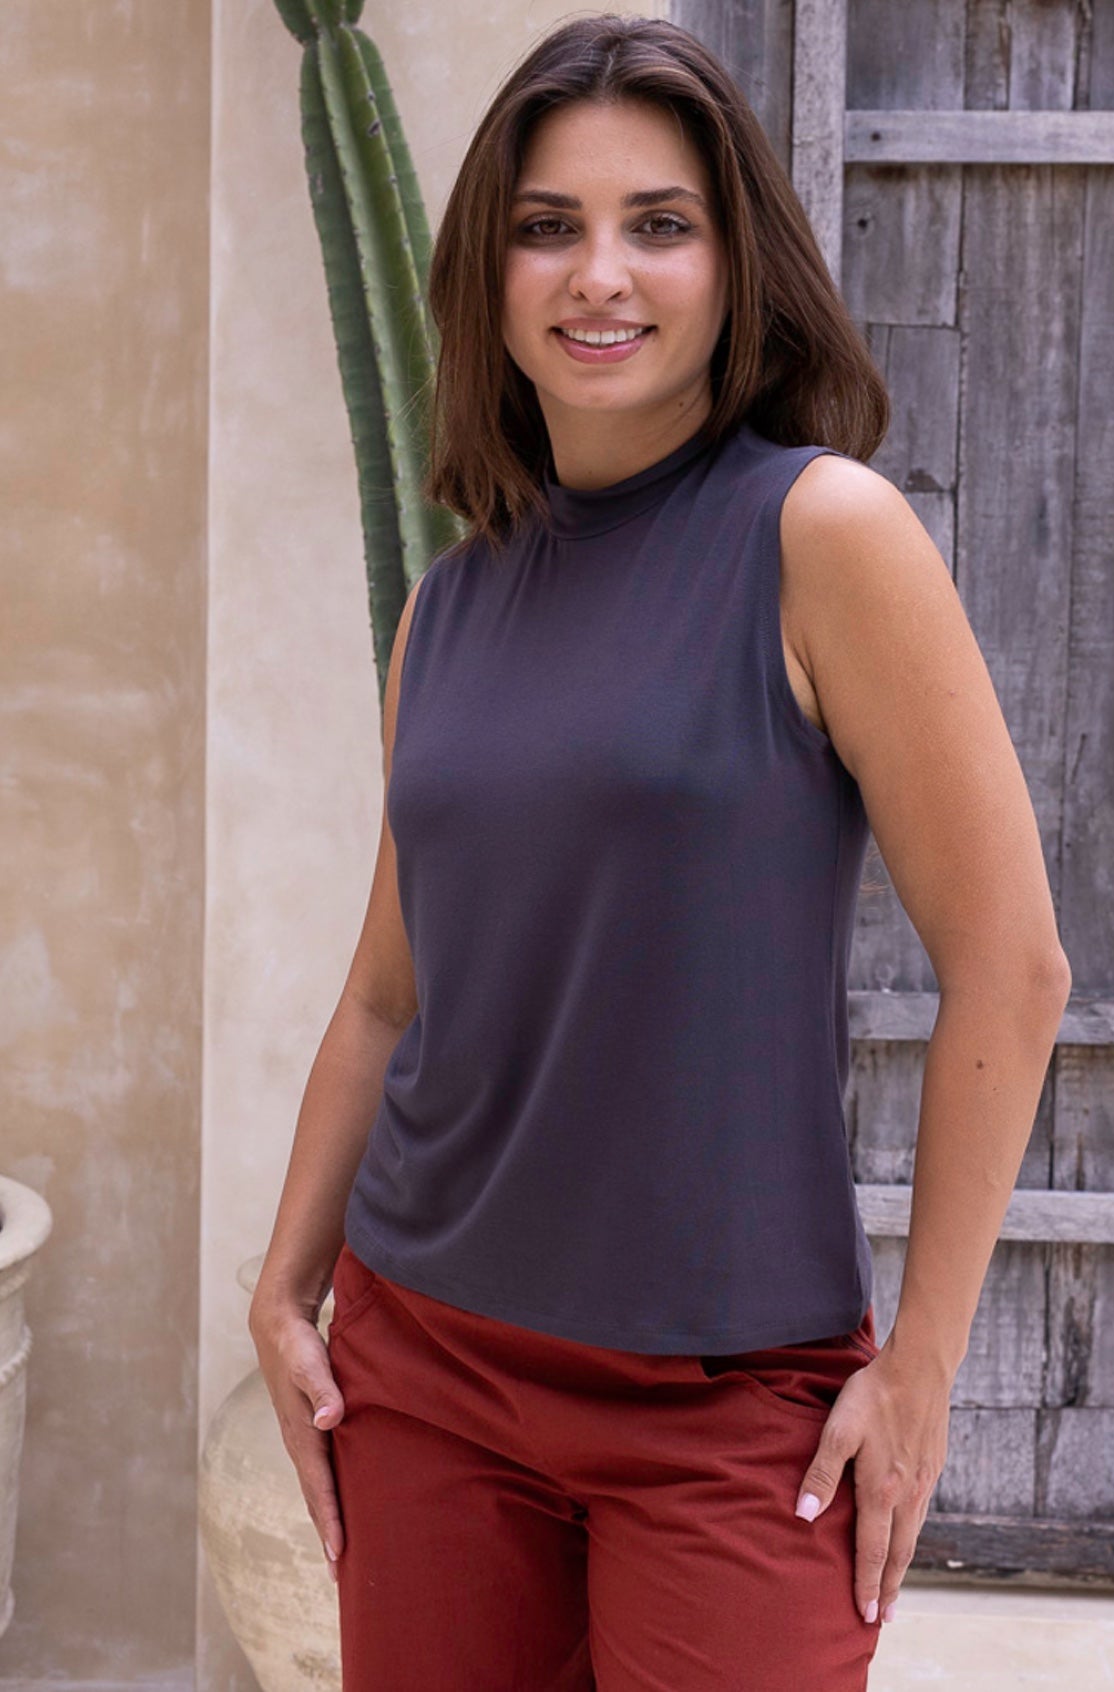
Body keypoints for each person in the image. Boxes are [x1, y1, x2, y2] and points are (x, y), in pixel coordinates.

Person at [248, 14, 1072, 1690]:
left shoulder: (821, 535)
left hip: (729, 1402)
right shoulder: (446, 609)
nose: (599, 274)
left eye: (660, 224)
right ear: (490, 275)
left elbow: (1014, 966)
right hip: (428, 1368)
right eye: (548, 226)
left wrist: (922, 1370)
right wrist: (284, 1286)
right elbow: (390, 994)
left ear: (734, 261)